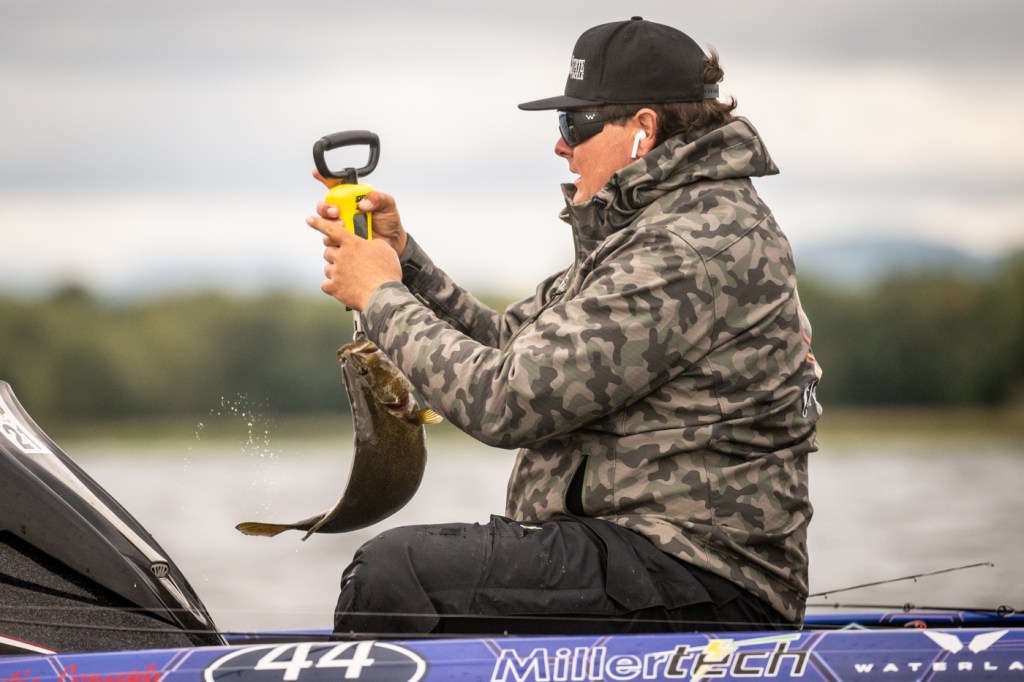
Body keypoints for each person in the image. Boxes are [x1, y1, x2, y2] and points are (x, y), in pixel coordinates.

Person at [306, 16, 822, 637]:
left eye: (574, 124)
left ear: (643, 129)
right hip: (640, 558)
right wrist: (404, 262)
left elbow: (506, 399)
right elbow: (510, 347)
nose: (560, 145)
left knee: (398, 572)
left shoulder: (686, 248)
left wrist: (380, 295)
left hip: (700, 577)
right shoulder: (655, 228)